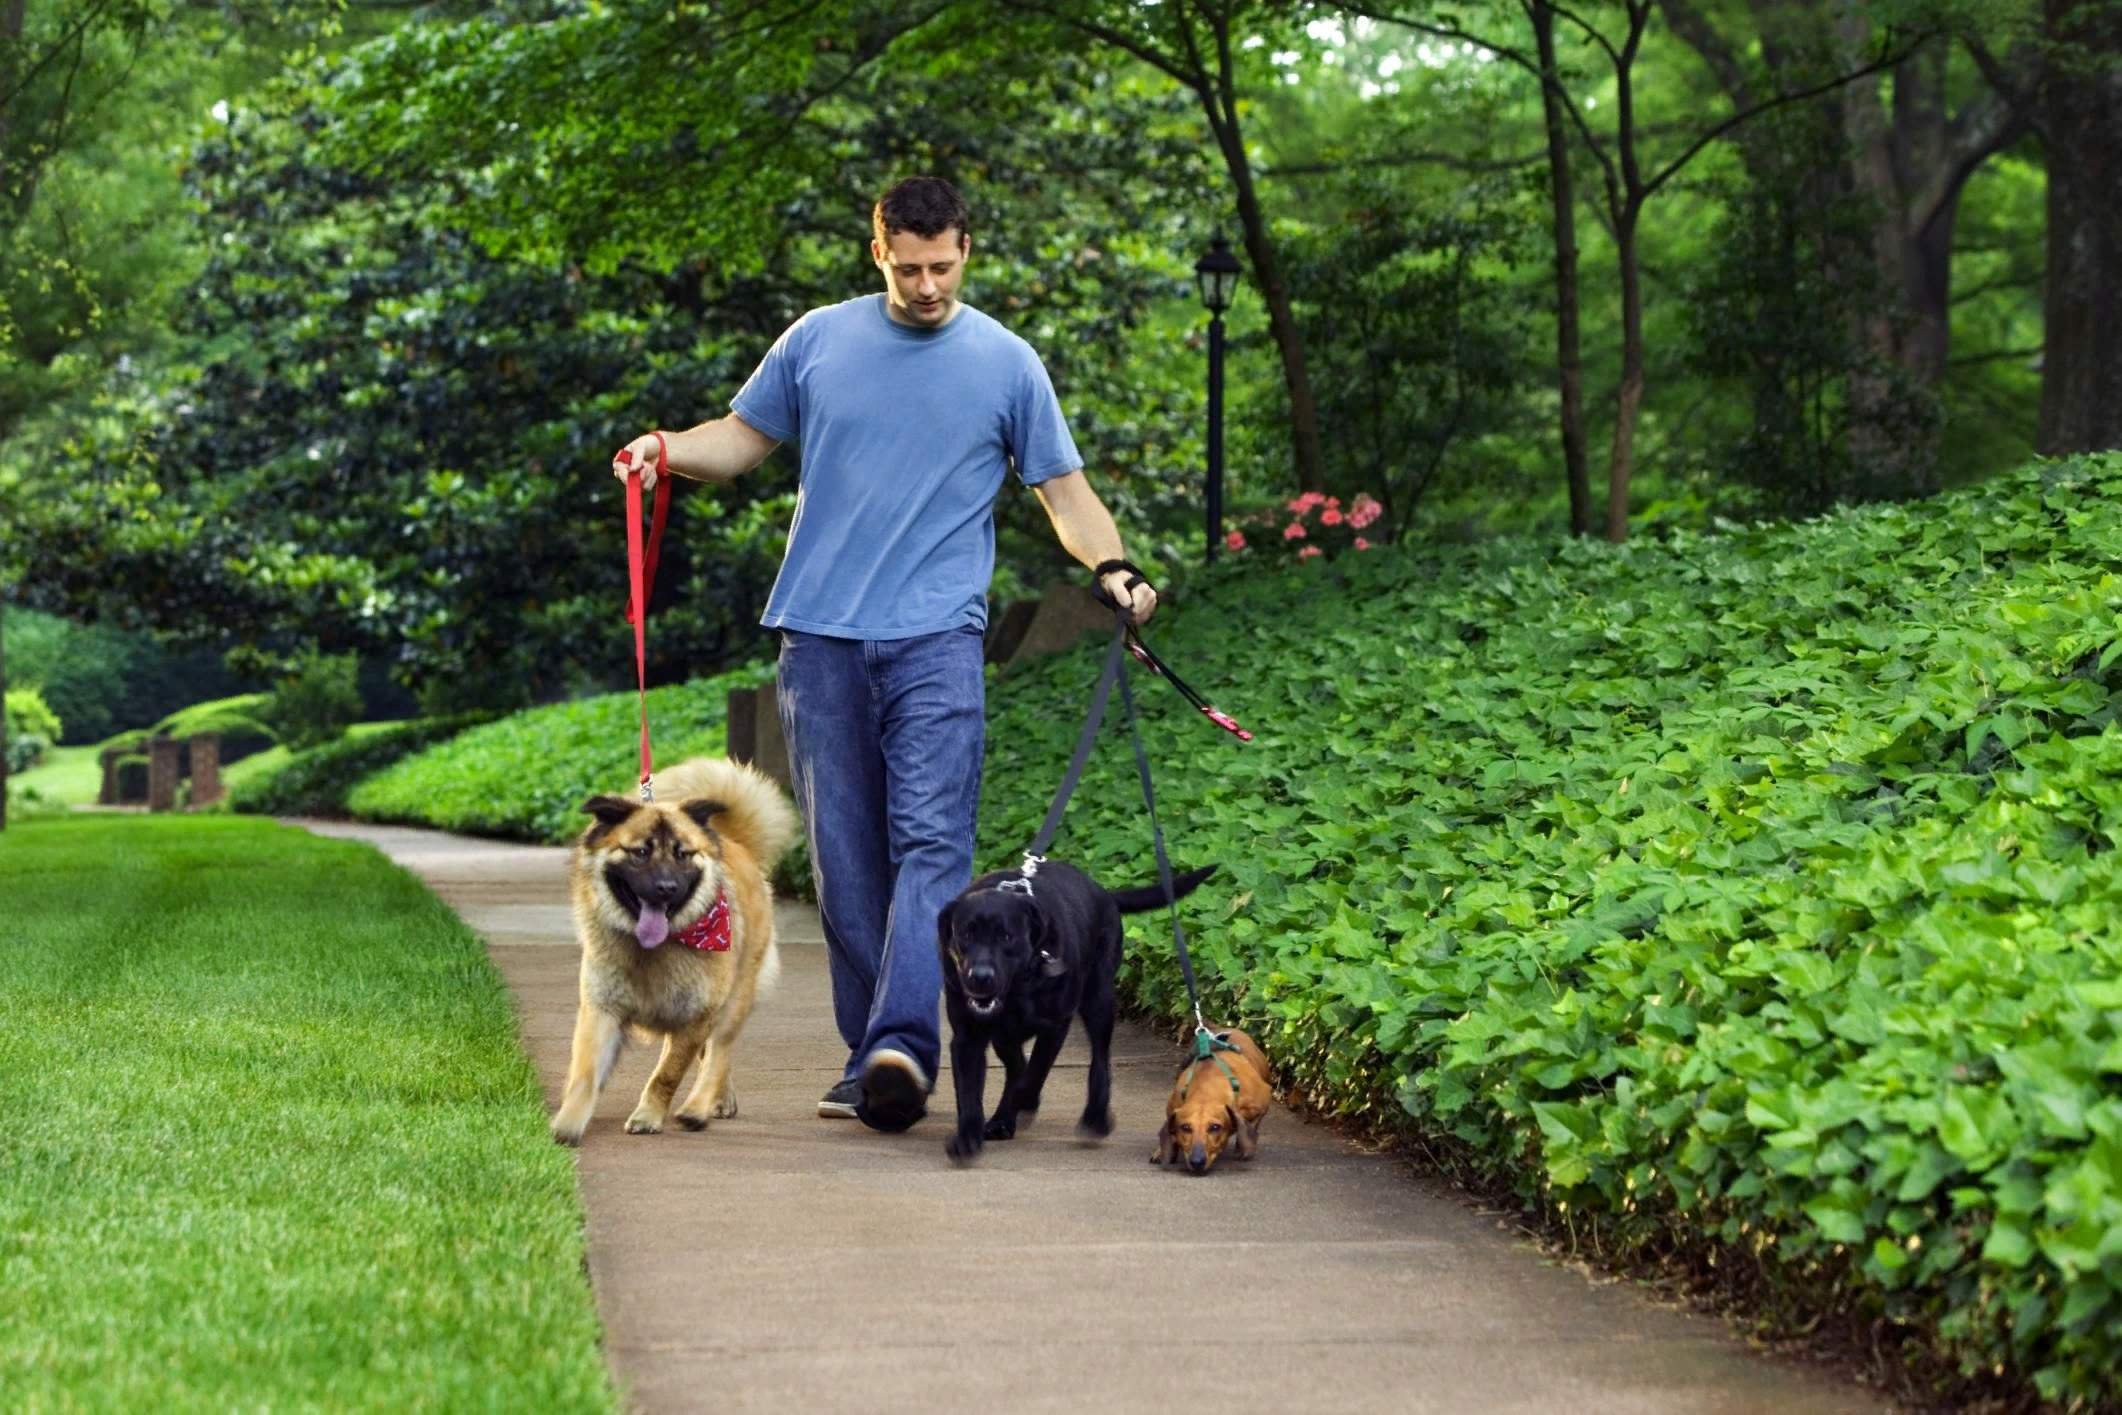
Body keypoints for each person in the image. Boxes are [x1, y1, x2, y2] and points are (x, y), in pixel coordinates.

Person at [610, 176, 1156, 1133]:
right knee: (846, 865)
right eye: (908, 268)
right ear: (878, 254)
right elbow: (739, 441)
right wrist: (664, 446)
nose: (928, 284)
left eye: (942, 265)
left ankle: (905, 1038)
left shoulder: (1006, 362)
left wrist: (1113, 566)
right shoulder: (818, 340)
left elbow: (1064, 494)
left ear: (966, 251)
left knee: (933, 843)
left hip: (939, 639)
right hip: (820, 638)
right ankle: (876, 1055)